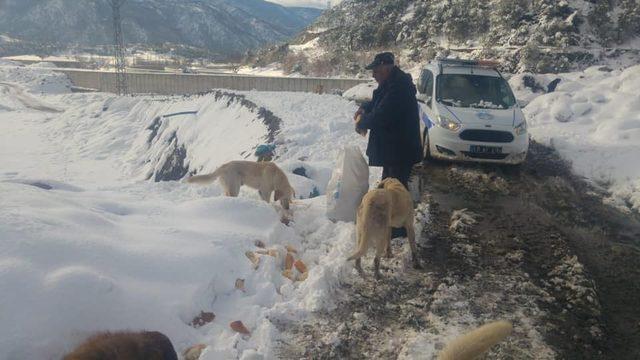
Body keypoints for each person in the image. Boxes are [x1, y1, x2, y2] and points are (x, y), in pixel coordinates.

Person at [354, 52, 422, 238]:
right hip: (393, 148)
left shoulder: (399, 87)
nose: (373, 74)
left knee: (397, 189)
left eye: (376, 70)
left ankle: (398, 230)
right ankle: (388, 224)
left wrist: (362, 122)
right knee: (388, 186)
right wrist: (364, 108)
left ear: (386, 67)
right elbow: (376, 102)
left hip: (401, 149)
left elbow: (383, 114)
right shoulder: (389, 84)